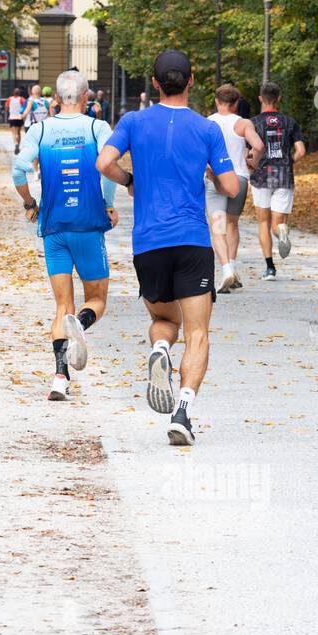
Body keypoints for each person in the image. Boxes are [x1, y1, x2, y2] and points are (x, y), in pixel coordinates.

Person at [96, 49, 238, 446]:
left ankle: (160, 347)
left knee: (166, 321)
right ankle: (183, 412)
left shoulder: (133, 122)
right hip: (192, 241)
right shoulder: (206, 129)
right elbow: (230, 188)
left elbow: (103, 162)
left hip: (149, 243)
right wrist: (210, 172)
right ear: (191, 81)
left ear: (154, 83)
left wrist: (128, 181)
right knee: (197, 334)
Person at [12, 69, 118, 401]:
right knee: (97, 299)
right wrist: (109, 204)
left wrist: (30, 202)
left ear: (56, 99)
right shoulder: (97, 127)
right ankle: (82, 326)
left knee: (62, 306)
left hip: (53, 227)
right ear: (86, 97)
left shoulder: (39, 129)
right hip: (88, 224)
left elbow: (18, 169)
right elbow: (109, 165)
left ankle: (60, 377)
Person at [206, 84, 264, 292]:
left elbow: (198, 152)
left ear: (216, 101)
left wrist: (208, 169)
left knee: (218, 227)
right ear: (236, 103)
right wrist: (252, 161)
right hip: (239, 178)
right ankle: (233, 265)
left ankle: (226, 270)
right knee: (232, 224)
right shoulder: (243, 123)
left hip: (216, 179)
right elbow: (258, 146)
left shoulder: (207, 123)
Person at [249, 82, 306, 280]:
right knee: (278, 223)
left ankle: (270, 268)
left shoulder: (254, 123)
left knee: (263, 222)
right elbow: (301, 151)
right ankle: (281, 231)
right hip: (283, 175)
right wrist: (289, 162)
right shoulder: (290, 122)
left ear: (260, 99)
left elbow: (252, 151)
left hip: (261, 175)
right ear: (279, 98)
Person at [7, 86, 27, 153]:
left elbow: (6, 107)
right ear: (19, 93)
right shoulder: (22, 99)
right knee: (18, 132)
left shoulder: (9, 99)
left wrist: (10, 111)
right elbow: (25, 106)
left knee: (13, 133)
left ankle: (15, 144)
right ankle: (18, 145)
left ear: (13, 93)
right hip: (19, 118)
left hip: (12, 118)